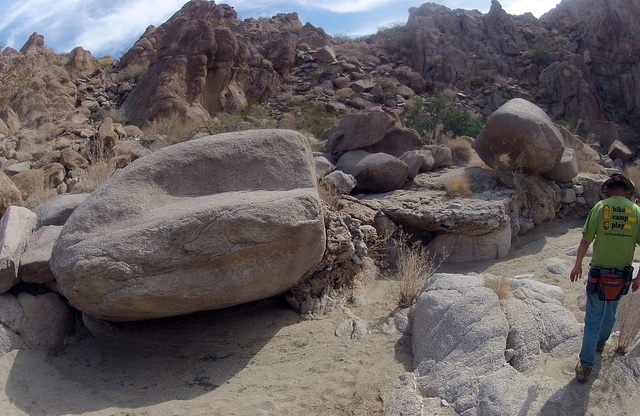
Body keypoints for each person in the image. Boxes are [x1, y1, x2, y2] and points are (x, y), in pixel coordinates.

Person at [570, 173, 640, 382]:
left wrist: (577, 265)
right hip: (622, 277)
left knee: (592, 320)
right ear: (627, 192)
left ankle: (585, 367)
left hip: (598, 274)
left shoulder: (600, 208)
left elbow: (585, 241)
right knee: (611, 313)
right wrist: (638, 278)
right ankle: (601, 342)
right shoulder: (636, 211)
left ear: (609, 190)